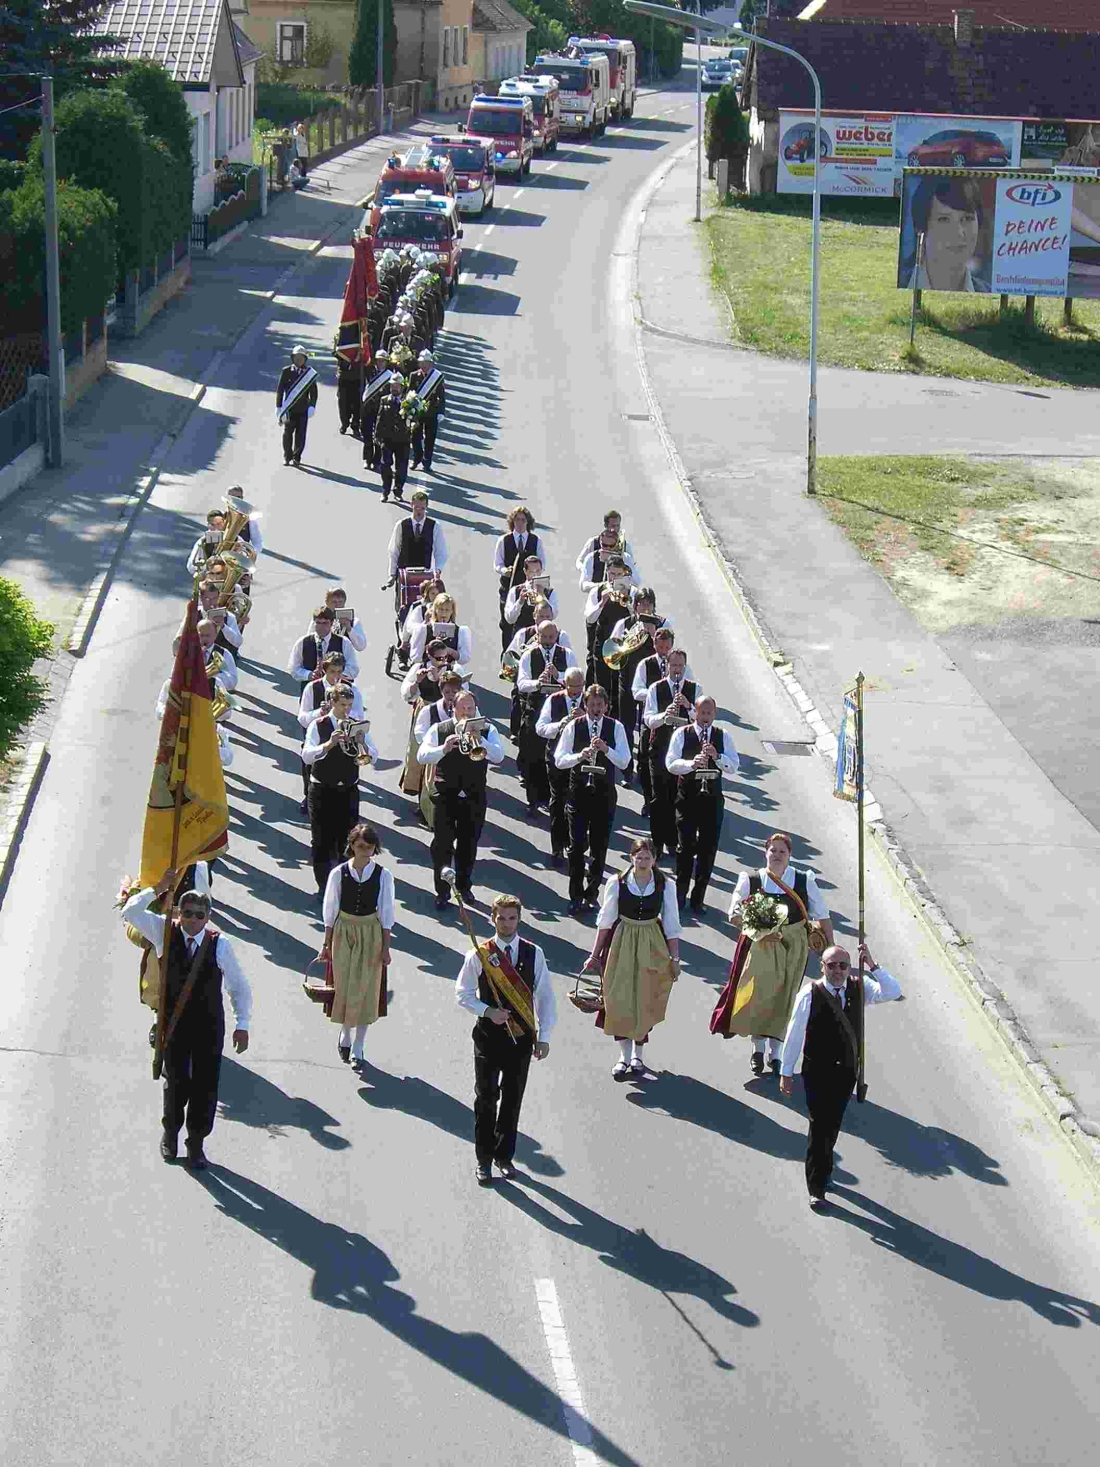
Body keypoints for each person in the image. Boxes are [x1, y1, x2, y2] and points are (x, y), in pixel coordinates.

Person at [122, 871, 251, 1170]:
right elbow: (130, 911)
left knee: (206, 1086)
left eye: (199, 915)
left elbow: (239, 987)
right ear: (179, 913)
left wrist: (242, 1024)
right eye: (188, 914)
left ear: (208, 917)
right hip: (175, 1023)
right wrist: (160, 888)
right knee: (177, 1084)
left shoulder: (221, 944)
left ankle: (196, 1144)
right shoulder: (163, 931)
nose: (193, 920)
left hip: (208, 1025)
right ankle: (171, 1133)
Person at [779, 941, 902, 1207]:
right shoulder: (809, 994)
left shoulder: (860, 987)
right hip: (817, 1073)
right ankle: (817, 1187)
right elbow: (794, 1033)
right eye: (831, 965)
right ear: (822, 966)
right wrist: (786, 1071)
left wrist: (872, 964)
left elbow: (893, 991)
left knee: (831, 1126)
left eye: (843, 965)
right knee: (820, 1126)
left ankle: (824, 1170)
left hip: (846, 1073)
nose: (837, 970)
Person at [455, 893, 555, 1184]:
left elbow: (546, 997)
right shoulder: (480, 953)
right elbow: (462, 993)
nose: (507, 923)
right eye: (502, 918)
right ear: (492, 918)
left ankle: (504, 1156)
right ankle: (483, 1160)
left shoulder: (533, 953)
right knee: (486, 1100)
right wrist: (487, 1011)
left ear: (519, 919)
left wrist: (544, 1036)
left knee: (512, 1100)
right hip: (488, 1038)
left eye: (512, 918)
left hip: (521, 1040)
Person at [715, 832, 834, 1075]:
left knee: (785, 996)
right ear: (765, 852)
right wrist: (759, 933)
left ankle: (775, 1054)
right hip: (760, 945)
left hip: (793, 947)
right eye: (773, 850)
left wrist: (830, 952)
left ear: (790, 855)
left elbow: (822, 917)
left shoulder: (803, 880)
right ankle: (758, 1050)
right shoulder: (751, 879)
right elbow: (734, 914)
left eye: (783, 851)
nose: (777, 855)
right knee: (759, 995)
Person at [582, 838, 681, 1079]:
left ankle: (638, 1053)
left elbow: (671, 924)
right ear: (631, 858)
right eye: (639, 857)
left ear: (654, 859)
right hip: (622, 941)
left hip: (651, 942)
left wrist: (675, 959)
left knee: (645, 998)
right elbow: (605, 921)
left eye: (648, 857)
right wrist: (594, 955)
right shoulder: (617, 882)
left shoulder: (665, 884)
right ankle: (624, 1056)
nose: (643, 861)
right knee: (618, 997)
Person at [418, 689, 505, 909]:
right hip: (446, 796)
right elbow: (422, 755)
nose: (467, 712)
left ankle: (465, 886)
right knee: (442, 844)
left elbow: (499, 756)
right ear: (453, 709)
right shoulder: (440, 729)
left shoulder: (487, 729)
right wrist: (444, 748)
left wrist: (481, 742)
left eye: (471, 708)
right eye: (463, 708)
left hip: (474, 797)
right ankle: (443, 891)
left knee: (469, 845)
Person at [319, 824, 395, 1068]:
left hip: (370, 932)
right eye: (361, 846)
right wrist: (326, 944)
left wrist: (386, 948)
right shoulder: (338, 873)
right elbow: (330, 910)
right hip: (344, 931)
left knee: (367, 987)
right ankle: (345, 1032)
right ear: (351, 846)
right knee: (344, 985)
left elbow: (386, 912)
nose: (366, 852)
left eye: (370, 847)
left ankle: (359, 1045)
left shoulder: (384, 875)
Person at [554, 683, 630, 916]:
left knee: (599, 847)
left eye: (600, 705)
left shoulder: (615, 727)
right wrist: (580, 756)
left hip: (604, 795)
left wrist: (606, 750)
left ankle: (592, 892)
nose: (596, 709)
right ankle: (575, 895)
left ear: (606, 706)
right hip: (578, 793)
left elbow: (625, 762)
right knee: (576, 847)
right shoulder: (574, 727)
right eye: (592, 705)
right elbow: (559, 759)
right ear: (584, 705)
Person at [302, 686, 379, 900]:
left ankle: (345, 884)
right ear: (333, 703)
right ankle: (323, 887)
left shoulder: (357, 726)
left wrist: (363, 743)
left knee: (347, 841)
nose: (346, 710)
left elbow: (374, 757)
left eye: (349, 705)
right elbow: (306, 756)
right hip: (321, 791)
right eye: (342, 705)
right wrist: (328, 745)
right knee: (321, 841)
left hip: (348, 790)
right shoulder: (318, 725)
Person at [666, 696, 737, 915]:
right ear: (695, 713)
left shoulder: (723, 736)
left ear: (714, 714)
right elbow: (671, 763)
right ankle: (680, 895)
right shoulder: (682, 734)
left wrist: (717, 757)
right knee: (685, 849)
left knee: (708, 851)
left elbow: (733, 766)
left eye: (709, 713)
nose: (705, 717)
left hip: (712, 801)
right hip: (688, 799)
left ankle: (698, 899)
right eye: (702, 713)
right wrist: (691, 763)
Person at [517, 620, 577, 816]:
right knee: (533, 757)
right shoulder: (529, 654)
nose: (548, 641)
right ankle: (533, 800)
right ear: (538, 635)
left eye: (551, 637)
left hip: (558, 709)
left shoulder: (566, 654)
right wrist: (538, 682)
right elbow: (521, 683)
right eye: (544, 637)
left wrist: (558, 675)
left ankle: (553, 800)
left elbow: (576, 678)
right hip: (535, 709)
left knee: (554, 756)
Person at [642, 648, 698, 861]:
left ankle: (674, 842)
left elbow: (702, 719)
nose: (677, 670)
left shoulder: (694, 688)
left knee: (679, 797)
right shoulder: (656, 689)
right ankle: (657, 843)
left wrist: (688, 706)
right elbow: (648, 720)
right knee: (659, 798)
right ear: (667, 666)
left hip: (685, 752)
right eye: (673, 666)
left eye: (680, 666)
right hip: (660, 749)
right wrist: (666, 715)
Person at [902, 175, 989, 293]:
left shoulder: (988, 291)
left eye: (967, 218)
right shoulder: (901, 286)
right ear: (920, 228)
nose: (959, 233)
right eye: (944, 219)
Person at [535, 666, 585, 864]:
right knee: (558, 801)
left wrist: (584, 716)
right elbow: (540, 728)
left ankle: (576, 842)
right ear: (565, 684)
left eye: (580, 686)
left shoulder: (589, 699)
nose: (577, 691)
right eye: (572, 687)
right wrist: (561, 723)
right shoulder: (554, 700)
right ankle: (557, 848)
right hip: (557, 756)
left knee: (578, 802)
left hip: (580, 758)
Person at [584, 556, 635, 692]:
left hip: (624, 646)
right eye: (612, 574)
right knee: (602, 687)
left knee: (622, 688)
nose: (614, 578)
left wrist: (627, 601)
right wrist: (602, 602)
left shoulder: (632, 592)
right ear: (606, 572)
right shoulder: (597, 591)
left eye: (619, 575)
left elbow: (637, 618)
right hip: (602, 645)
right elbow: (590, 619)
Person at [494, 507, 544, 620]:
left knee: (530, 620)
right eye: (517, 519)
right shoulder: (503, 540)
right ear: (512, 522)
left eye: (523, 520)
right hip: (508, 588)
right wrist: (505, 571)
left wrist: (534, 574)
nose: (520, 523)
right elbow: (498, 564)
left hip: (531, 590)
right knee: (506, 623)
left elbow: (542, 564)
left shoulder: (536, 540)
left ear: (528, 522)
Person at [288, 607, 360, 684]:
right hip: (311, 692)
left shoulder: (344, 642)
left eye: (325, 623)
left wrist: (334, 674)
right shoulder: (302, 642)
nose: (321, 627)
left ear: (332, 623)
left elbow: (353, 668)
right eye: (318, 623)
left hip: (337, 692)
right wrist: (308, 675)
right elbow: (293, 668)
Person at [502, 554, 558, 654]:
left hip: (545, 637)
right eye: (532, 572)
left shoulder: (550, 592)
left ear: (541, 570)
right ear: (525, 572)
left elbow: (554, 615)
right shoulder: (515, 590)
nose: (535, 575)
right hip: (522, 637)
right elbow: (509, 619)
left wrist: (543, 596)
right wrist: (519, 602)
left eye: (538, 571)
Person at [386, 489, 448, 577]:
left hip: (426, 574)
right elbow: (393, 550)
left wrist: (438, 569)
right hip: (404, 575)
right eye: (416, 508)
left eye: (422, 508)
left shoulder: (435, 526)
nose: (419, 511)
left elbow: (441, 552)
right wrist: (392, 574)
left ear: (427, 506)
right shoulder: (401, 524)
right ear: (411, 505)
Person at [374, 372, 414, 502]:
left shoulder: (409, 403)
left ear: (402, 387)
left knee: (401, 468)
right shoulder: (384, 400)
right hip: (387, 439)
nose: (394, 388)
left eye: (397, 385)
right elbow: (379, 418)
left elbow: (415, 419)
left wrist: (413, 423)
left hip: (403, 440)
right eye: (392, 385)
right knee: (385, 466)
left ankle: (398, 491)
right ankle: (385, 491)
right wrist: (377, 436)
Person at [276, 345, 318, 467]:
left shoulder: (309, 374)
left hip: (303, 410)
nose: (299, 360)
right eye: (296, 357)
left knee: (301, 435)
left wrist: (312, 406)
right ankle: (287, 456)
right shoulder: (286, 371)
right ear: (293, 358)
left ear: (305, 359)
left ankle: (297, 456)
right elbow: (280, 390)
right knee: (287, 434)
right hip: (289, 410)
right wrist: (278, 407)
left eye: (301, 357)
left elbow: (314, 393)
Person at [409, 591, 471, 671]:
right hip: (427, 671)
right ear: (435, 610)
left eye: (447, 610)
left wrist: (449, 651)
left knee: (460, 673)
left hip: (449, 673)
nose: (443, 614)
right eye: (441, 609)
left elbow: (464, 659)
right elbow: (415, 658)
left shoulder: (460, 631)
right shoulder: (424, 629)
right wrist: (430, 647)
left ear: (452, 611)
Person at [410, 350, 445, 471]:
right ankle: (417, 457)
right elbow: (410, 393)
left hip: (432, 412)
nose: (423, 365)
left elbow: (441, 396)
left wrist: (441, 411)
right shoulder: (414, 376)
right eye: (421, 362)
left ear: (430, 363)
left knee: (430, 438)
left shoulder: (437, 377)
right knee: (415, 436)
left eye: (425, 362)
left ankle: (427, 462)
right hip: (417, 412)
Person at [578, 527, 639, 593]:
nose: (607, 549)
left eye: (611, 546)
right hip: (598, 598)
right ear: (600, 542)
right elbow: (583, 585)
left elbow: (636, 582)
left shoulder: (626, 557)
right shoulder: (590, 558)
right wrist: (603, 586)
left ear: (617, 544)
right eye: (604, 545)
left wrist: (624, 568)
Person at [360, 351, 391, 471]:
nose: (380, 363)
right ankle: (367, 459)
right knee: (367, 434)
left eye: (382, 360)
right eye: (378, 360)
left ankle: (377, 460)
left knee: (379, 435)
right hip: (367, 407)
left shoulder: (390, 376)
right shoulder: (369, 371)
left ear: (386, 362)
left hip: (381, 409)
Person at [320, 587, 367, 652]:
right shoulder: (319, 619)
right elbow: (310, 643)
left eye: (340, 602)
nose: (337, 605)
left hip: (344, 660)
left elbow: (361, 647)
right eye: (334, 602)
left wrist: (349, 629)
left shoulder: (353, 621)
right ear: (327, 603)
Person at [334, 339, 362, 435]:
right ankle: (344, 423)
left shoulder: (362, 334)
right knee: (343, 402)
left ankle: (355, 425)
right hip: (344, 375)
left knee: (357, 402)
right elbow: (336, 353)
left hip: (358, 375)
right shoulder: (342, 336)